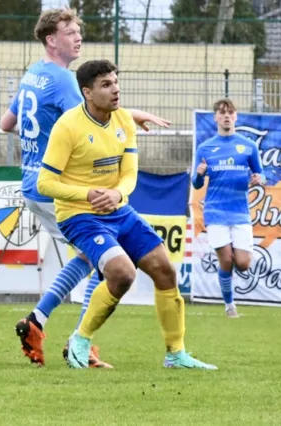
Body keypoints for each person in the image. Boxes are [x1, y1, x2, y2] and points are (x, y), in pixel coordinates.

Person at [2, 8, 168, 368]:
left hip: (32, 183)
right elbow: (91, 113)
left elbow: (6, 124)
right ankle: (79, 343)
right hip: (58, 188)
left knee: (90, 257)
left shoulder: (33, 74)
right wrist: (132, 115)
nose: (78, 37)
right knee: (109, 262)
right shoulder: (63, 81)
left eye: (79, 31)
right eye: (69, 32)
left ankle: (37, 321)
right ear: (51, 39)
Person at [37, 60, 214, 370]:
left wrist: (118, 193)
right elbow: (45, 183)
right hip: (79, 215)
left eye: (116, 82)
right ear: (87, 92)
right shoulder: (67, 126)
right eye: (106, 84)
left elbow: (130, 173)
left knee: (165, 271)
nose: (116, 89)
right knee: (122, 274)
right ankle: (80, 339)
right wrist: (88, 194)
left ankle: (176, 355)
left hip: (118, 209)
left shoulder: (124, 121)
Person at [192, 98, 265, 318]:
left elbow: (262, 174)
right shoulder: (206, 147)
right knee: (225, 259)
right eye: (222, 113)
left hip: (240, 212)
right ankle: (229, 305)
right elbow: (196, 184)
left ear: (236, 116)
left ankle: (232, 272)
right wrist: (199, 174)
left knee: (242, 264)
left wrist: (258, 178)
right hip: (215, 211)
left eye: (230, 112)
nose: (226, 116)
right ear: (215, 117)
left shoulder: (248, 146)